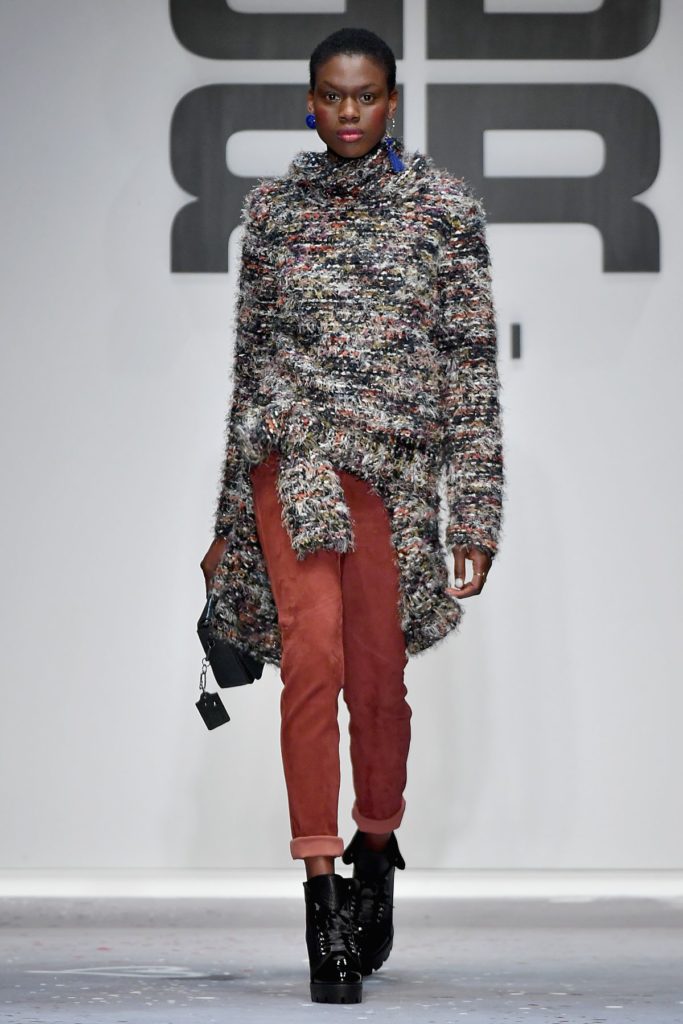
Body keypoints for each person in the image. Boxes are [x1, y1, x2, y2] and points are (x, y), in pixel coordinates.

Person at [200, 26, 505, 1005]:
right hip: (291, 465)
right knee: (313, 665)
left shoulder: (442, 210)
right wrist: (227, 520)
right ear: (308, 100)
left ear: (391, 101)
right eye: (330, 95)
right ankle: (320, 893)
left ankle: (376, 844)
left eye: (364, 95)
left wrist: (475, 514)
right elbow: (249, 371)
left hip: (395, 477)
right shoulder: (274, 213)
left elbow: (468, 372)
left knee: (377, 686)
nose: (346, 111)